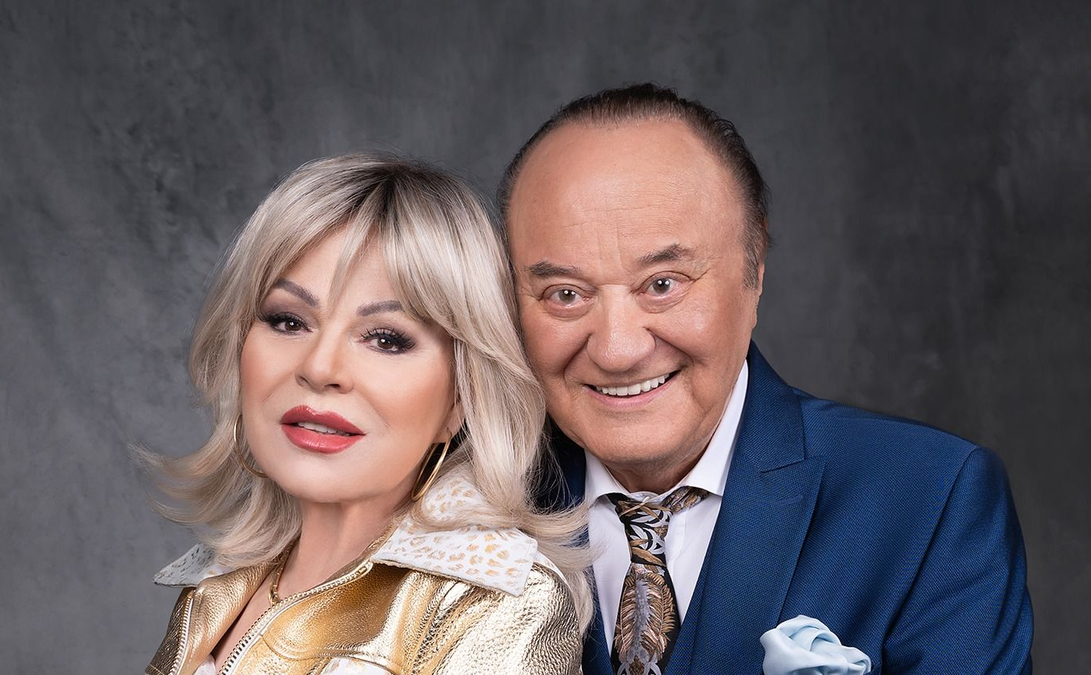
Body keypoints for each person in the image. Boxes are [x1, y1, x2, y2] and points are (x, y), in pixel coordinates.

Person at [497, 83, 1033, 674]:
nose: (618, 350)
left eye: (663, 285)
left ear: (754, 270)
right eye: (565, 294)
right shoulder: (469, 499)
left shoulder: (930, 501)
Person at [143, 154, 591, 675]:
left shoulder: (499, 605)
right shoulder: (219, 581)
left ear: (461, 397)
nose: (319, 367)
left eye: (385, 339)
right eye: (288, 321)